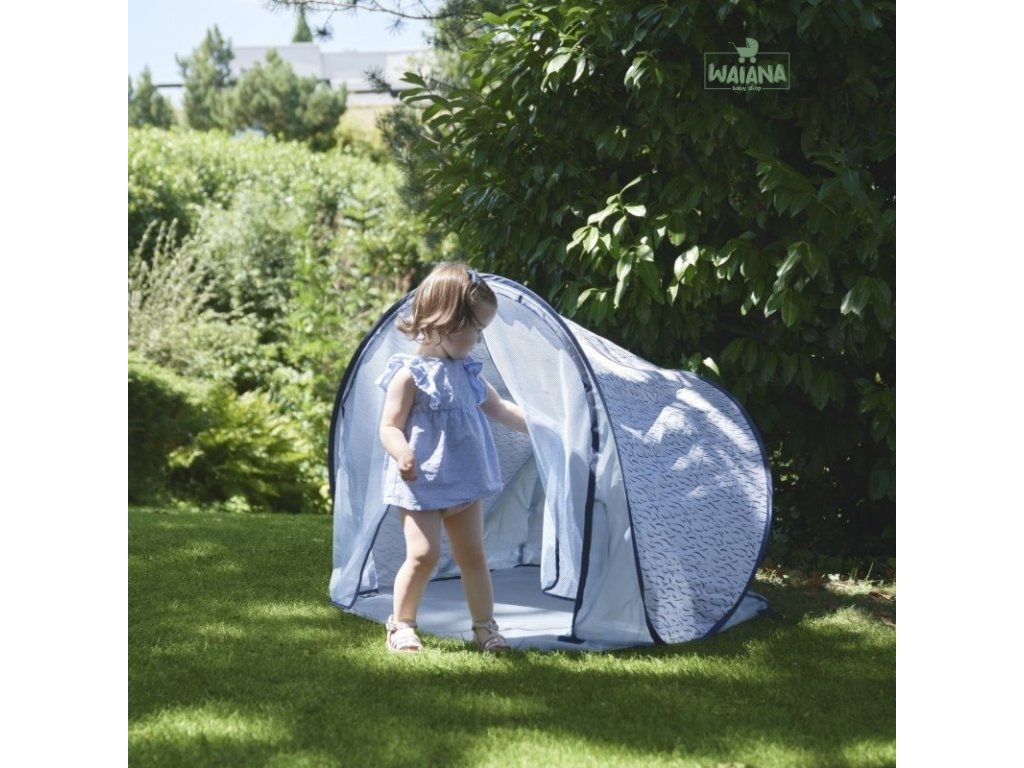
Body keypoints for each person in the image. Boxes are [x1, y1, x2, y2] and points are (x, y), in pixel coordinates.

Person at [376, 262, 529, 653]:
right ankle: (401, 625)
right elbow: (389, 426)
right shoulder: (408, 375)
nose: (479, 339)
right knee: (423, 554)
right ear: (444, 322)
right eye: (475, 329)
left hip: (463, 478)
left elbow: (502, 410)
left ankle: (484, 627)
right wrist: (402, 452)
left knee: (473, 555)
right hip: (420, 482)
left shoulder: (469, 373)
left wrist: (542, 427)